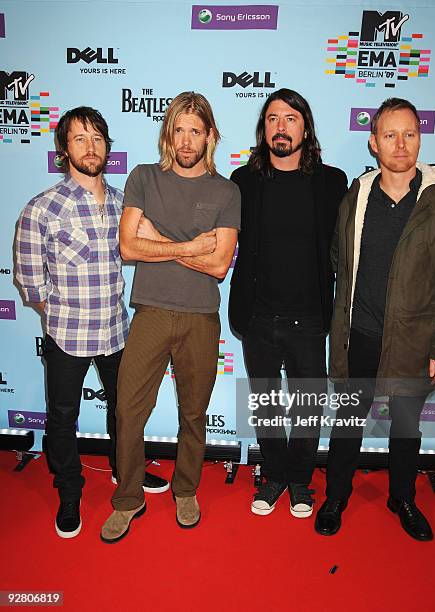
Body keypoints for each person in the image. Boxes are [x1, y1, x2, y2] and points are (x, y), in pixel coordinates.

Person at [316, 98, 435, 541]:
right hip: (358, 335)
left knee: (406, 428)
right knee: (346, 426)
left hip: (414, 340)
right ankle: (338, 495)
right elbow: (337, 258)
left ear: (420, 139)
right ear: (373, 143)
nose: (400, 144)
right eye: (390, 135)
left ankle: (402, 497)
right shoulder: (356, 196)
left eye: (409, 134)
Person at [15, 106, 167, 539]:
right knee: (63, 418)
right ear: (63, 149)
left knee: (126, 409)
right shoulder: (41, 208)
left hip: (118, 329)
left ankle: (126, 473)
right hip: (66, 334)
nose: (90, 146)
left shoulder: (125, 203)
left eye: (97, 137)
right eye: (79, 138)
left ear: (107, 145)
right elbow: (29, 280)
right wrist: (59, 315)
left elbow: (157, 243)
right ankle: (68, 492)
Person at [100, 92, 240, 543]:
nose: (186, 139)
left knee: (193, 412)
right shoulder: (143, 177)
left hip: (200, 317)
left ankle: (186, 489)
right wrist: (188, 245)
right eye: (178, 129)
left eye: (195, 131)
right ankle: (128, 498)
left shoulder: (226, 190)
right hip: (151, 313)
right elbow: (128, 247)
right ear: (168, 133)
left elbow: (219, 265)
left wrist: (158, 241)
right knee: (127, 409)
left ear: (210, 136)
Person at [229, 88, 348, 518]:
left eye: (291, 118)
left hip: (311, 317)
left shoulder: (333, 183)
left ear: (305, 127)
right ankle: (274, 475)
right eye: (273, 118)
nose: (281, 126)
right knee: (265, 404)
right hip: (258, 316)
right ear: (263, 129)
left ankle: (300, 480)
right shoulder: (242, 182)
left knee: (307, 407)